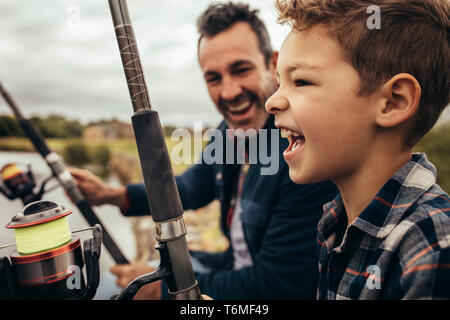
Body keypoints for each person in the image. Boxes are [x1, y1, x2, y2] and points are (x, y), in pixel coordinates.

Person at [71, 2, 337, 300]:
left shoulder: (301, 155)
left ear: (272, 64)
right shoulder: (228, 132)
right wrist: (110, 195)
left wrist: (161, 290)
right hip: (229, 269)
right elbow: (191, 187)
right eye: (214, 78)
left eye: (241, 69)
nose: (229, 92)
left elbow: (278, 285)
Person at [266, 0, 450, 299]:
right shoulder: (336, 223)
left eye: (301, 81)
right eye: (278, 83)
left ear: (394, 102)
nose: (271, 102)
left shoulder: (432, 247)